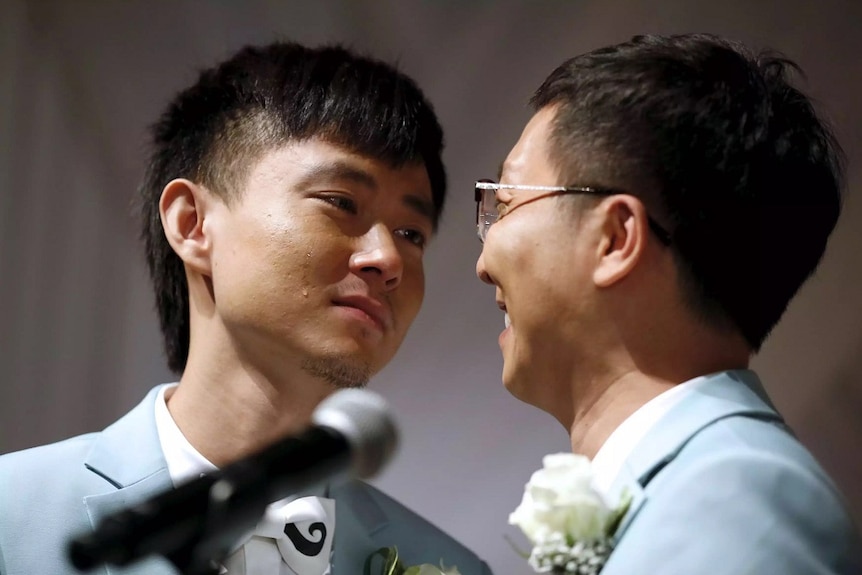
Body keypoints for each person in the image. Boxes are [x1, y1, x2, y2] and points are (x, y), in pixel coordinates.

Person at [0, 41, 491, 575]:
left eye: (411, 233)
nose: (387, 258)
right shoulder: (14, 513)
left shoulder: (447, 567)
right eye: (341, 203)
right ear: (193, 224)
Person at [475, 33, 861, 573]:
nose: (483, 257)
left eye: (507, 201)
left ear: (614, 238)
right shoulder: (704, 487)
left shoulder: (737, 502)